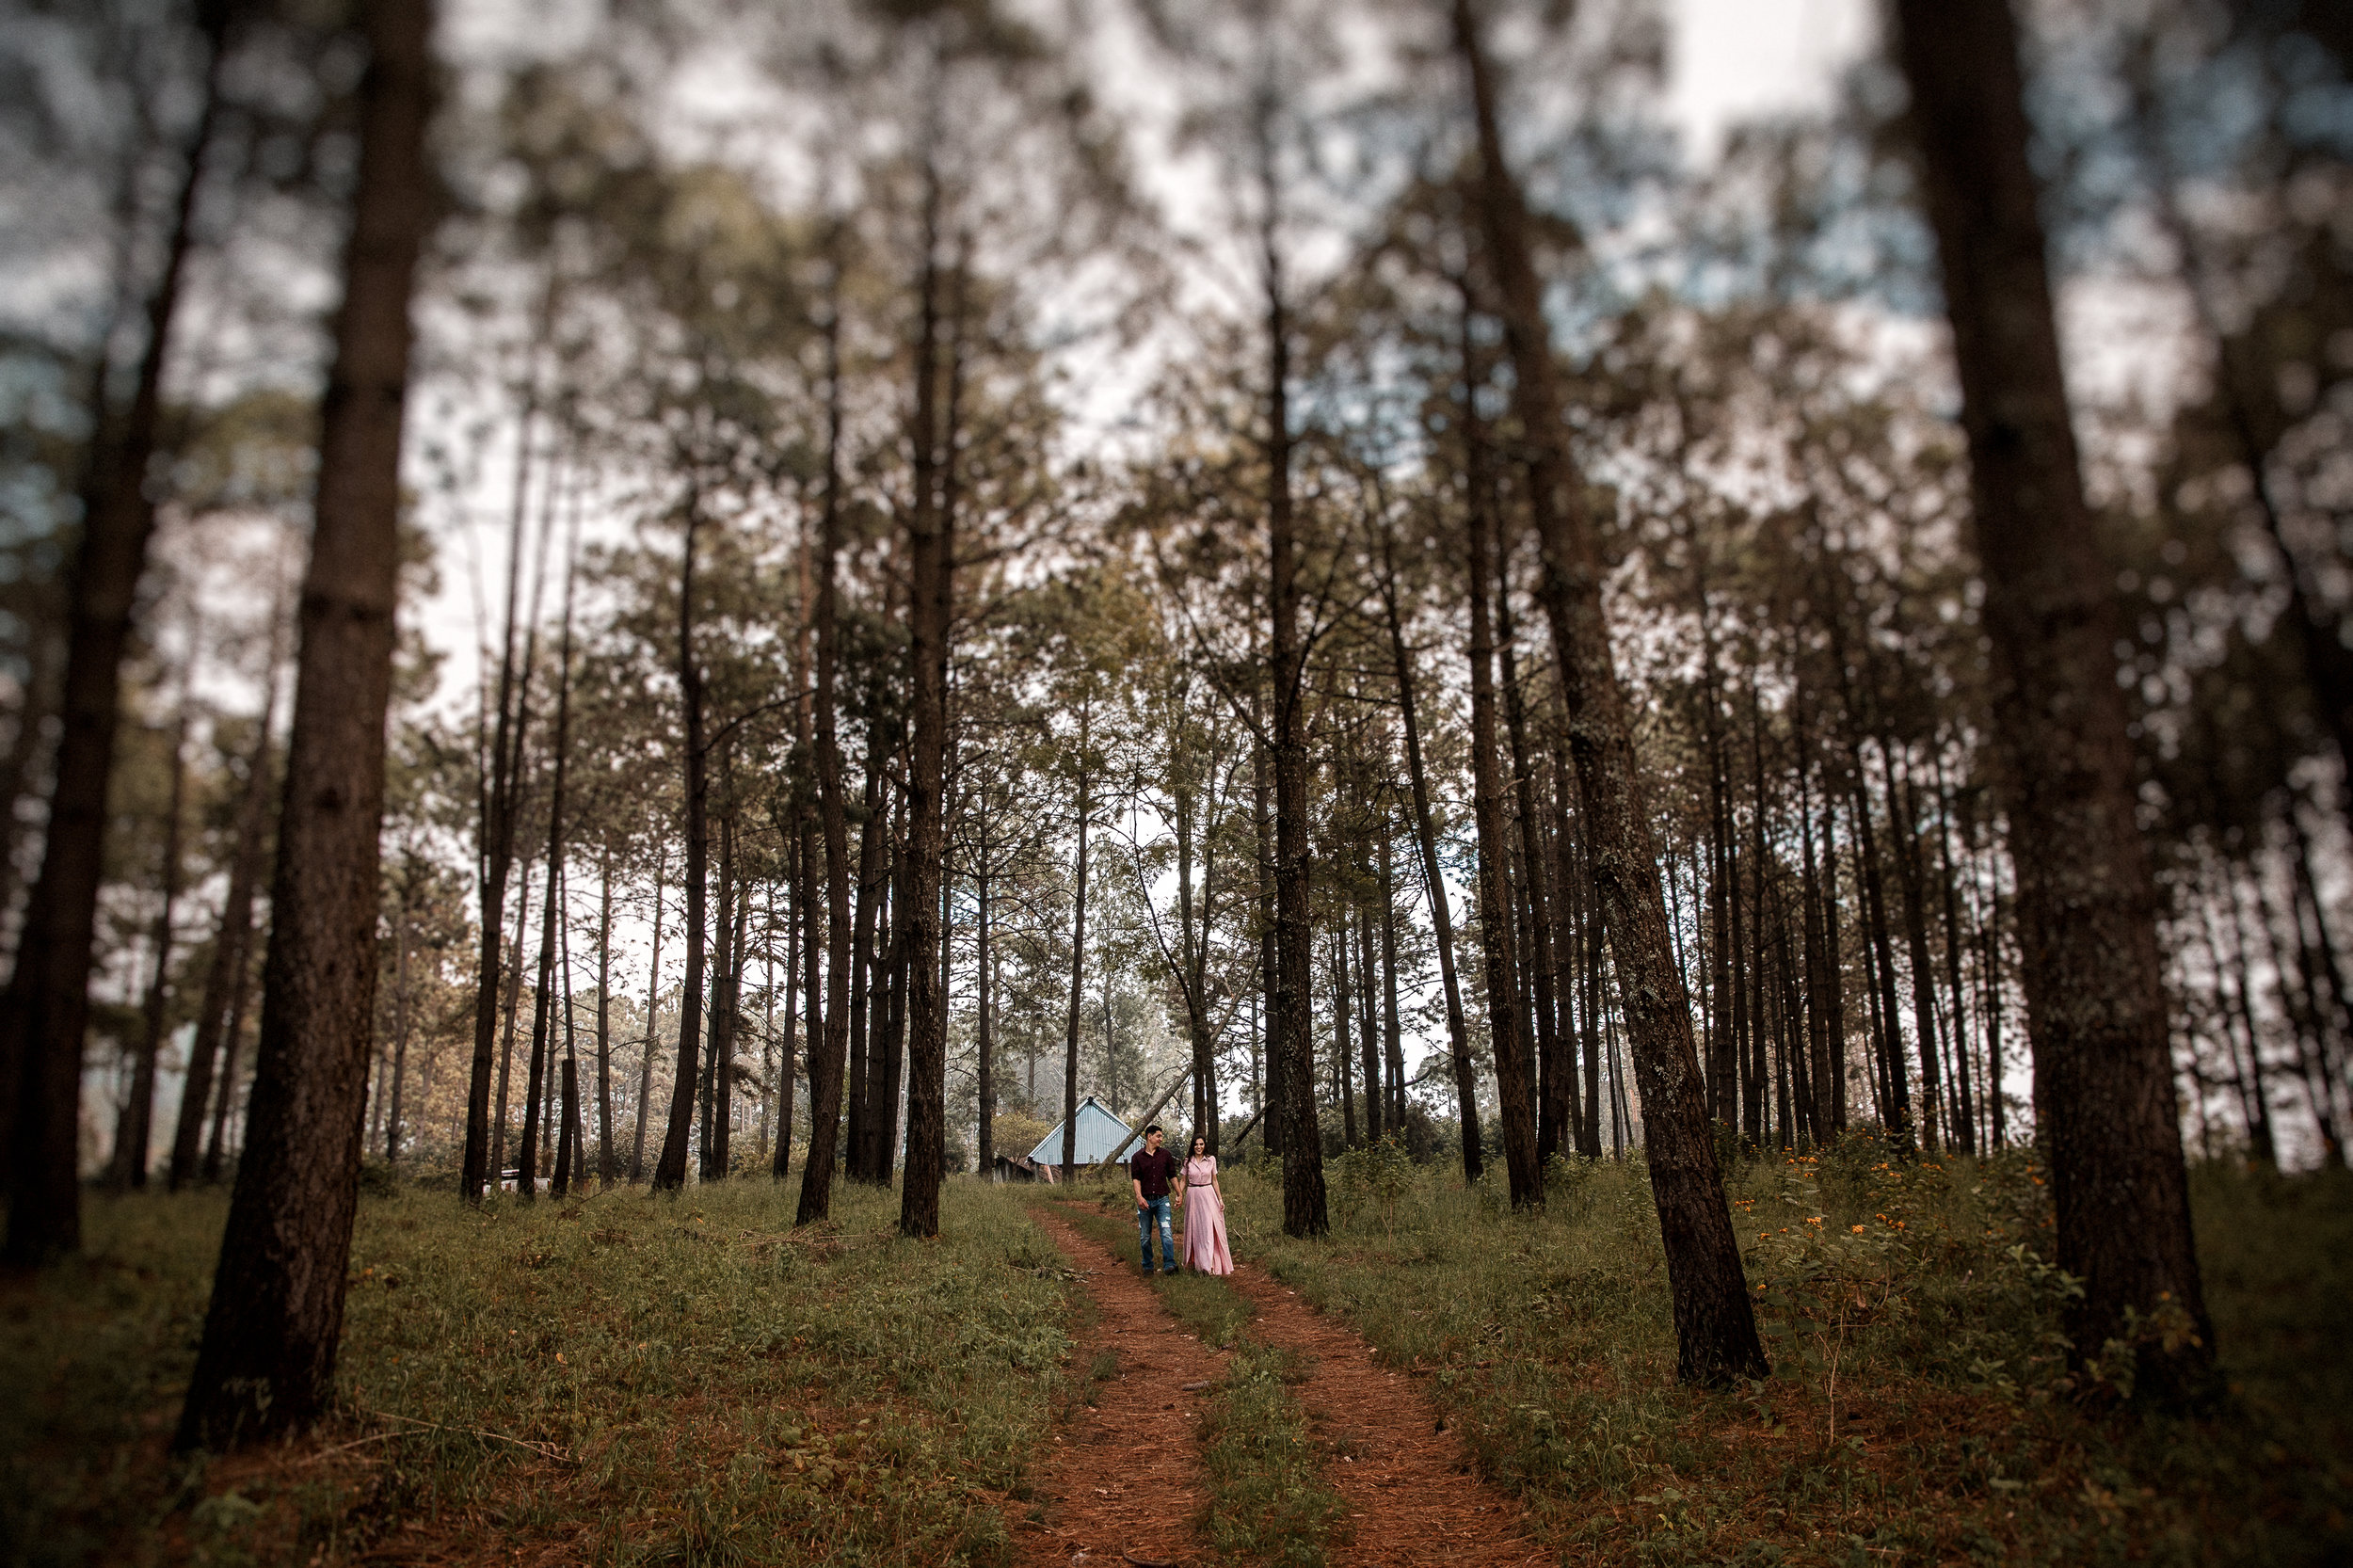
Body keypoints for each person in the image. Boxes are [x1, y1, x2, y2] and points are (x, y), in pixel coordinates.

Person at [1176, 1134, 1231, 1275]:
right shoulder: (1188, 1161)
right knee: (1195, 1230)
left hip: (1207, 1194)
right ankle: (1197, 1264)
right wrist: (1179, 1194)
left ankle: (1208, 1266)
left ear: (1204, 1145)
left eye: (1201, 1144)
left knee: (1207, 1229)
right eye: (1196, 1144)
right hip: (1193, 1195)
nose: (1199, 1147)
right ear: (1192, 1146)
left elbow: (1214, 1180)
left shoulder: (1211, 1159)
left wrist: (1220, 1199)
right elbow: (1183, 1180)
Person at [1130, 1125, 1179, 1275]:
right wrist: (1139, 1197)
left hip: (1162, 1200)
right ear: (1149, 1137)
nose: (1161, 1139)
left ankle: (1170, 1266)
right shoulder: (1137, 1157)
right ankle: (1147, 1266)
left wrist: (1179, 1193)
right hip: (1145, 1201)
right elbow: (1136, 1179)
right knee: (1145, 1235)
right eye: (1158, 1136)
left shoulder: (1165, 1155)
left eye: (1161, 1136)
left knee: (1166, 1233)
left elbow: (1172, 1176)